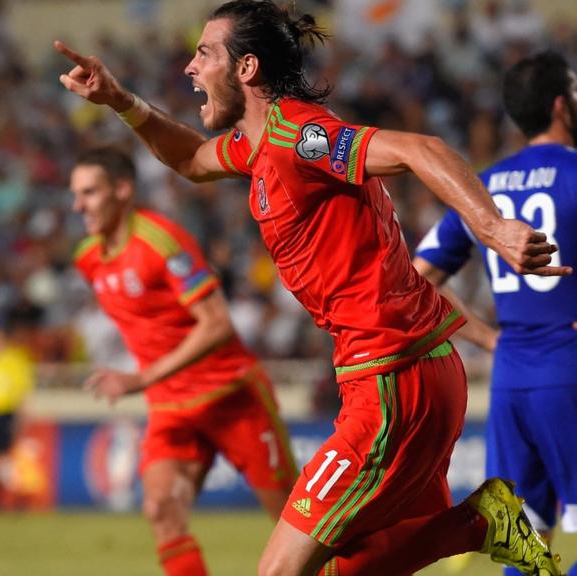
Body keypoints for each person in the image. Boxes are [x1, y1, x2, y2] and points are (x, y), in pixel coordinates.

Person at [54, 1, 569, 575]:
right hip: (397, 372)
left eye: (204, 53)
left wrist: (493, 226)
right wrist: (122, 102)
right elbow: (193, 161)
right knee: (343, 569)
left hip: (393, 378)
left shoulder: (300, 135)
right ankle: (480, 522)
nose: (190, 68)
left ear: (246, 68)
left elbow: (422, 149)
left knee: (278, 572)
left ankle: (479, 523)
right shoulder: (256, 146)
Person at [71, 146, 297, 576]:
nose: (78, 205)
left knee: (296, 528)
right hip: (171, 409)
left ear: (122, 190)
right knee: (160, 509)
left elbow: (217, 324)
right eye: (76, 194)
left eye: (89, 193)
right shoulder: (88, 258)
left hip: (232, 398)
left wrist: (142, 378)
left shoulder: (161, 242)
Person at [414, 51, 577, 576]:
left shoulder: (483, 188)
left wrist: (488, 340)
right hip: (569, 371)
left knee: (525, 542)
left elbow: (419, 277)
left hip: (511, 377)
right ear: (561, 105)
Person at [0, 302, 40, 511]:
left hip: (8, 412)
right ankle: (1, 498)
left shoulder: (15, 359)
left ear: (1, 337)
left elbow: (22, 390)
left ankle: (15, 497)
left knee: (8, 457)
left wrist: (21, 416)